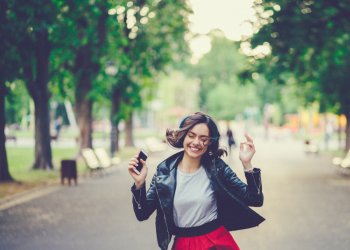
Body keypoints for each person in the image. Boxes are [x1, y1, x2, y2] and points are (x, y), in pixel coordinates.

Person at [128, 112, 264, 250]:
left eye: (203, 138)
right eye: (191, 136)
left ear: (210, 142)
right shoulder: (164, 172)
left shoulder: (217, 168)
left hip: (216, 242)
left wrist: (247, 164)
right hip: (182, 244)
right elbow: (142, 214)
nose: (196, 142)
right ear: (183, 136)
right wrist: (139, 184)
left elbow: (255, 199)